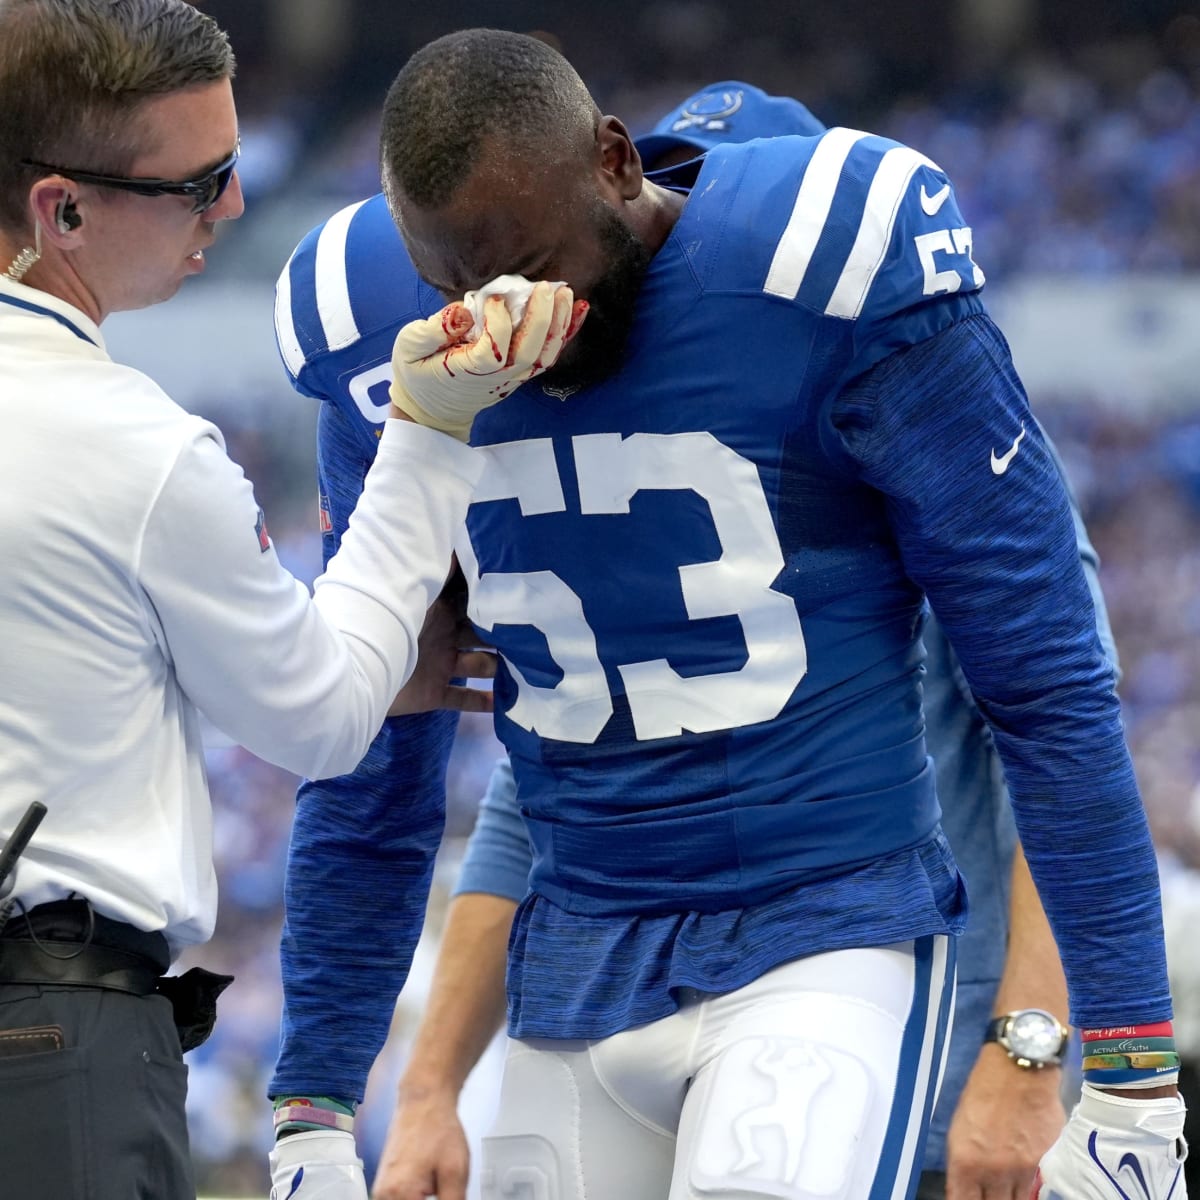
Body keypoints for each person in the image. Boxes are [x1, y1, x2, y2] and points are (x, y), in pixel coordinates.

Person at [273, 30, 1189, 1200]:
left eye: (528, 267)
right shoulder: (383, 342)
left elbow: (1047, 686)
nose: (494, 321)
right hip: (576, 959)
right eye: (454, 287)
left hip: (825, 931)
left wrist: (1124, 1062)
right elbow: (374, 754)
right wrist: (317, 1098)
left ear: (613, 163)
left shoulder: (825, 281)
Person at [0, 5, 578, 1198]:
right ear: (62, 210)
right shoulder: (132, 444)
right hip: (47, 1031)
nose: (233, 207)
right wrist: (426, 429)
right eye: (200, 181)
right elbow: (320, 717)